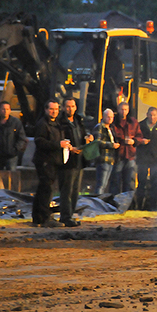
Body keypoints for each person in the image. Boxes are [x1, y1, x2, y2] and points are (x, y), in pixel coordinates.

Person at [32, 99, 69, 227]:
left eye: (57, 109)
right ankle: (44, 218)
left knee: (43, 189)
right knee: (46, 189)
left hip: (53, 160)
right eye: (52, 109)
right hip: (44, 161)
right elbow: (39, 141)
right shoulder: (42, 124)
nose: (54, 112)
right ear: (46, 110)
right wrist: (58, 144)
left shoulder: (57, 123)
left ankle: (37, 217)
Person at [57, 97, 93, 227]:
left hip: (79, 161)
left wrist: (88, 138)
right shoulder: (60, 122)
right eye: (67, 106)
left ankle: (70, 215)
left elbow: (83, 134)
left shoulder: (78, 120)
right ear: (63, 108)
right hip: (67, 162)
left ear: (76, 107)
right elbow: (60, 138)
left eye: (72, 106)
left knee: (75, 191)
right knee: (66, 190)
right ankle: (65, 217)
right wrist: (70, 148)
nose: (70, 109)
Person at [0, 101, 28, 171]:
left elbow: (21, 138)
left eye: (7, 109)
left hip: (11, 157)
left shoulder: (16, 123)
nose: (5, 111)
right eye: (3, 109)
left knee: (11, 178)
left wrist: (15, 150)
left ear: (10, 110)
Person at [111, 101, 143, 194]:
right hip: (118, 156)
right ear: (118, 110)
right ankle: (115, 203)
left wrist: (133, 141)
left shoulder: (133, 122)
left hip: (130, 156)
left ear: (128, 110)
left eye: (125, 110)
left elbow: (139, 136)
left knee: (129, 182)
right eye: (121, 109)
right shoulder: (113, 121)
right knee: (115, 182)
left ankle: (128, 203)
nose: (123, 112)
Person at [92, 108, 120, 195]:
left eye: (111, 117)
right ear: (103, 117)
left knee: (105, 184)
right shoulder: (99, 127)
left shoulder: (111, 128)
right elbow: (97, 142)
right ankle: (98, 201)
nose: (110, 119)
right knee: (101, 184)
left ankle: (102, 201)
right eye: (108, 117)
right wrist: (112, 145)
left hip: (110, 160)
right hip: (103, 159)